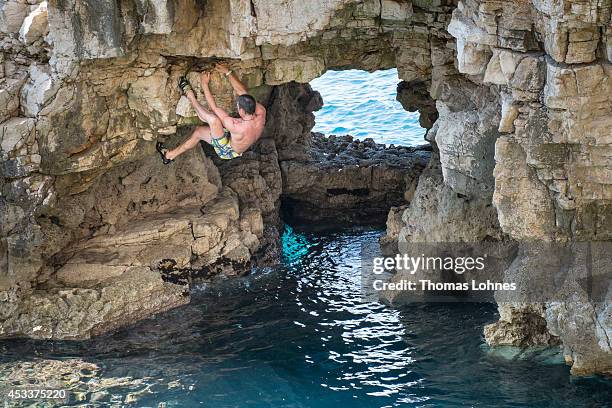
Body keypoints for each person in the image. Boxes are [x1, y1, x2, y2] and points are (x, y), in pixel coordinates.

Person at [157, 63, 267, 163]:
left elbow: (214, 108)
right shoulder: (260, 112)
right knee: (199, 132)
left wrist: (204, 84)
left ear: (241, 111)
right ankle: (169, 156)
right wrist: (227, 72)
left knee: (213, 121)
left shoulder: (235, 125)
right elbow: (243, 92)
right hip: (238, 139)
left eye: (238, 107)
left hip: (228, 150)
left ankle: (189, 95)